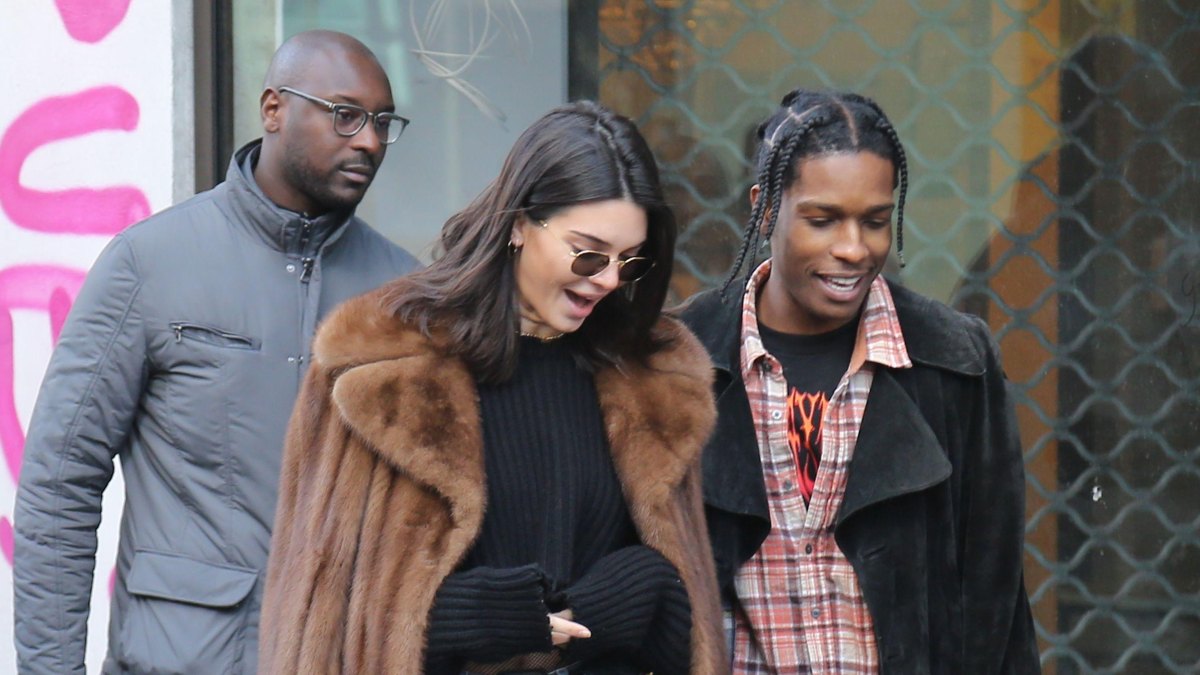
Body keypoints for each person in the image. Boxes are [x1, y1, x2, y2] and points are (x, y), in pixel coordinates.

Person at [258, 101, 726, 675]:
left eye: (630, 263)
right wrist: (471, 615)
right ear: (520, 223)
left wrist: (650, 587)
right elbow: (319, 616)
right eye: (587, 254)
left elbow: (690, 634)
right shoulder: (382, 365)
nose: (606, 280)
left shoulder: (651, 376)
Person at [13, 30, 419, 674]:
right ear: (274, 109)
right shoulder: (150, 264)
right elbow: (60, 486)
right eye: (345, 115)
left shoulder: (401, 296)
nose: (368, 140)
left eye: (382, 122)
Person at [679, 89, 1040, 673]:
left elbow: (994, 594)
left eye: (874, 222)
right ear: (765, 208)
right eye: (822, 220)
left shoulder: (953, 362)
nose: (853, 249)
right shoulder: (681, 358)